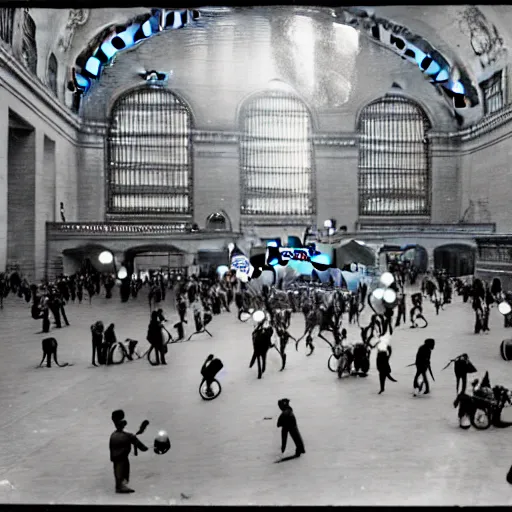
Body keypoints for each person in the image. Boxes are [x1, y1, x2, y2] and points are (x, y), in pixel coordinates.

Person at [109, 410, 148, 494]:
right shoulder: (127, 435)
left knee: (117, 469)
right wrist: (144, 448)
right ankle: (121, 486)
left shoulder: (113, 435)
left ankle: (119, 485)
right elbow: (139, 445)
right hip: (122, 456)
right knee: (123, 469)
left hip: (115, 456)